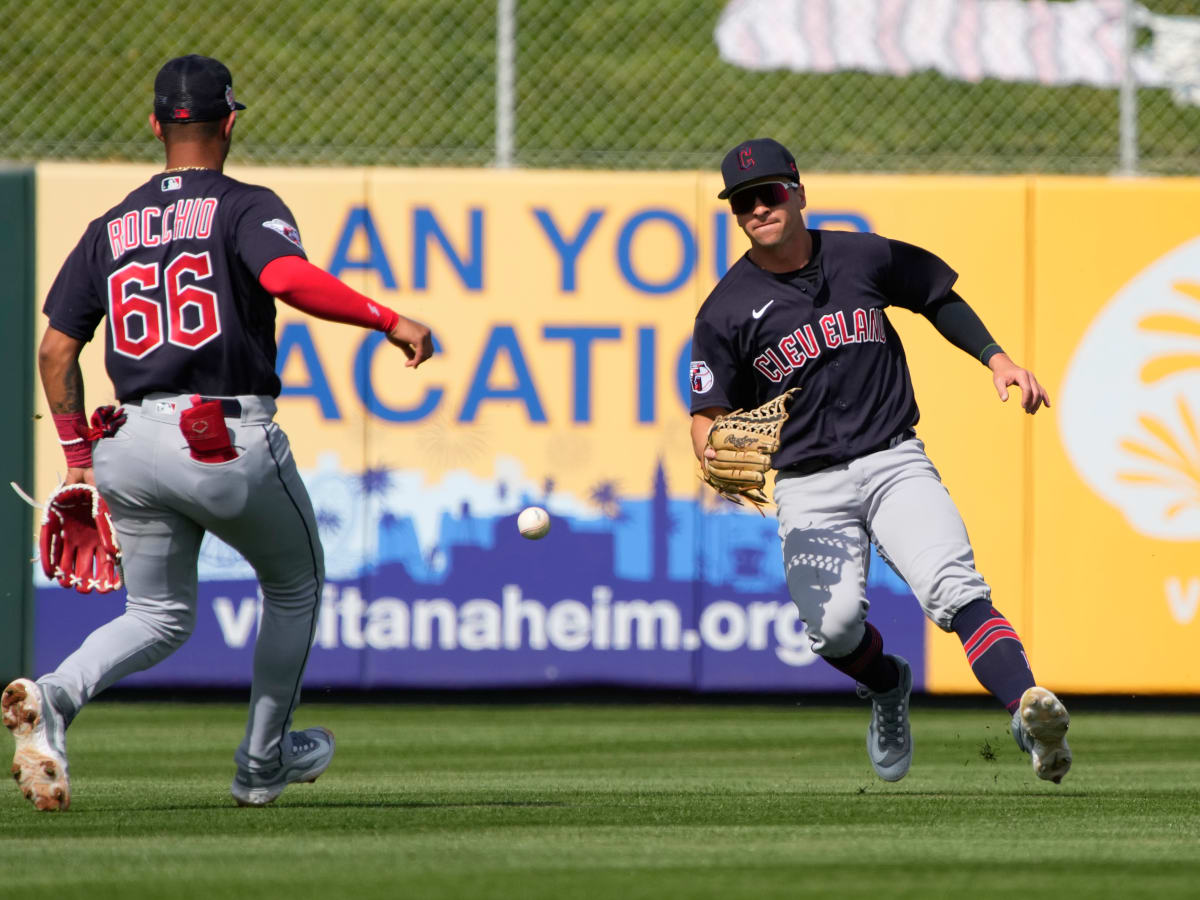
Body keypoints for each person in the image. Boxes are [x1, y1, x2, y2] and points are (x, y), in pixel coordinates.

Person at [3, 55, 434, 811]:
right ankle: (262, 764)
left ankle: (54, 697)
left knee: (155, 616)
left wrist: (78, 461)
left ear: (155, 126)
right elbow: (288, 279)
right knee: (295, 584)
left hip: (126, 441)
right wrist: (386, 319)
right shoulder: (241, 205)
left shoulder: (111, 226)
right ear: (230, 122)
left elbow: (54, 350)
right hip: (220, 437)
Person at [689, 138, 1071, 784]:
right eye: (744, 203)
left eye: (770, 193)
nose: (759, 209)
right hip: (808, 484)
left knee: (954, 589)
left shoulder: (860, 256)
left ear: (799, 193)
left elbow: (934, 293)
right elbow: (707, 415)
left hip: (893, 460)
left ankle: (1027, 710)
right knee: (834, 630)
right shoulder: (725, 310)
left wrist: (997, 358)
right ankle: (888, 684)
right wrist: (711, 454)